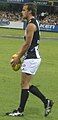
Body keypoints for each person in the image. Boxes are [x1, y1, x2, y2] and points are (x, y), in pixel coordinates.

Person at [6, 3, 54, 117]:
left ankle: (20, 110)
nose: (22, 12)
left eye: (24, 10)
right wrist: (20, 55)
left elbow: (27, 44)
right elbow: (28, 44)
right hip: (31, 57)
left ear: (30, 12)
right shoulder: (32, 23)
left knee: (24, 84)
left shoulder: (31, 25)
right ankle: (46, 102)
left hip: (32, 58)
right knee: (25, 84)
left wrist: (18, 57)